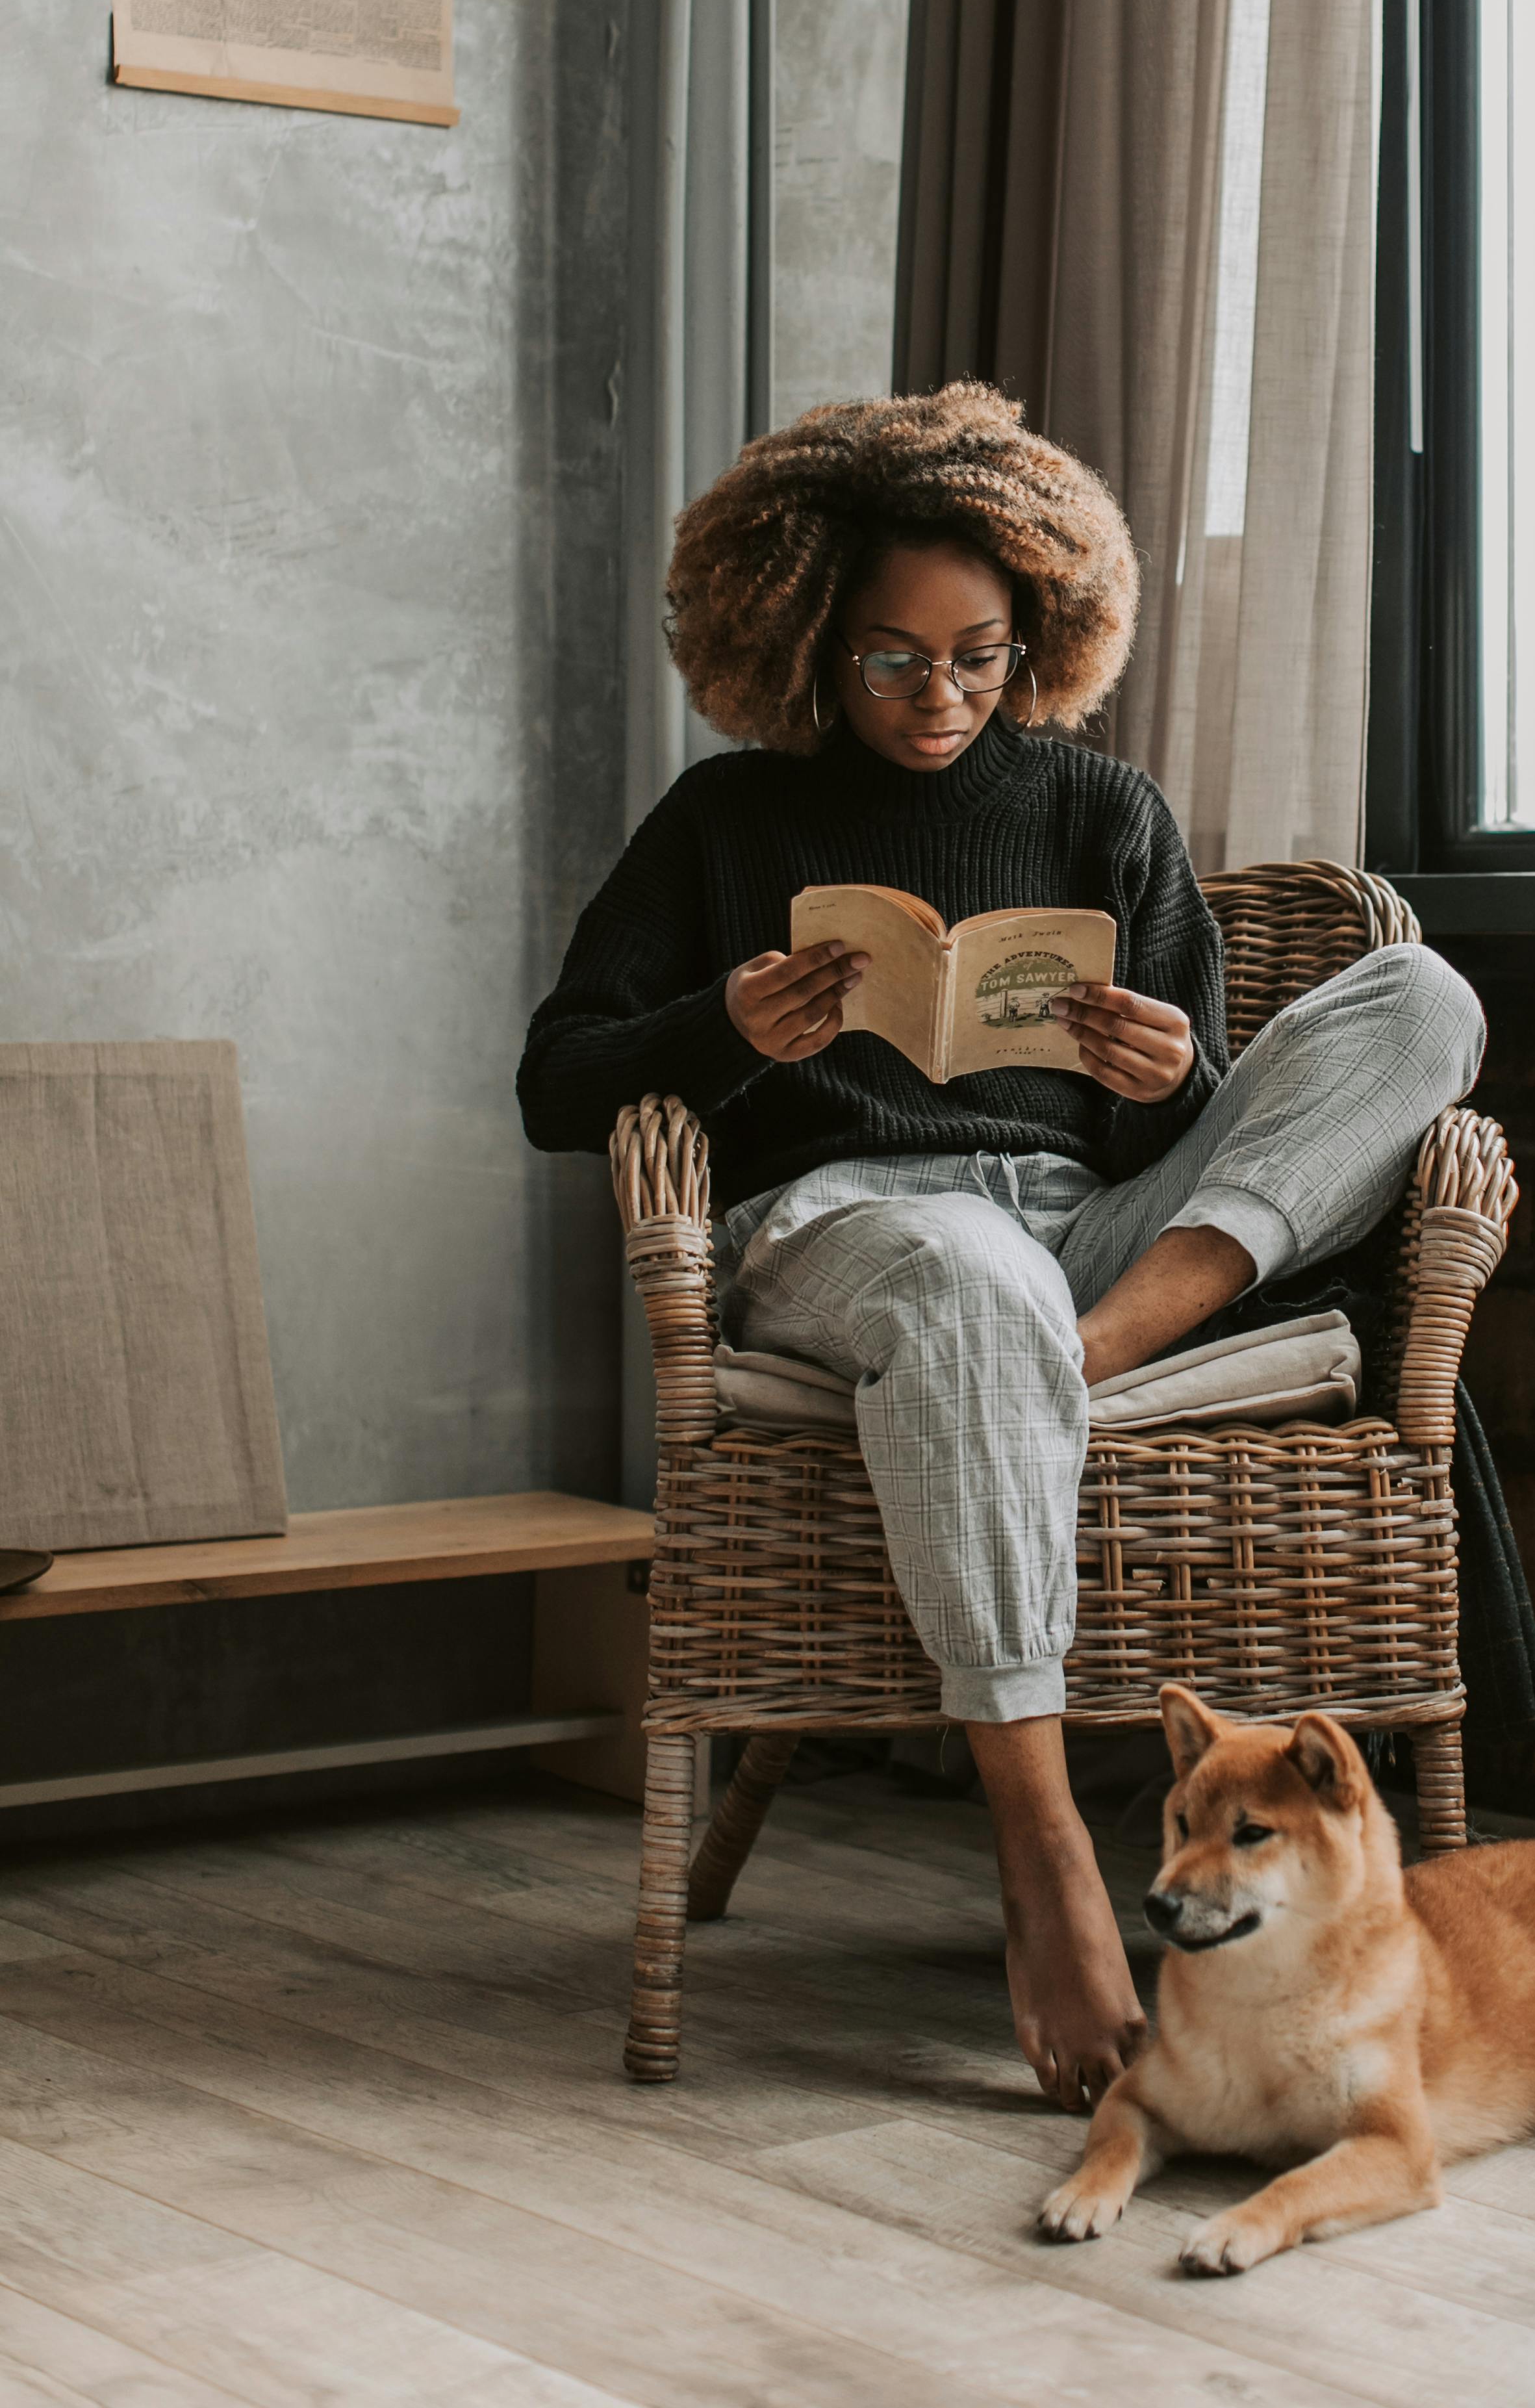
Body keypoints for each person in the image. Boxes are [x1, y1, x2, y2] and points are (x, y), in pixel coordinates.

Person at [517, 384, 1484, 2110]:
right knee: (969, 1272)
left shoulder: (1103, 809)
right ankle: (1041, 1853)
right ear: (808, 637)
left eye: (976, 653)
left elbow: (1170, 1119)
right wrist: (725, 1024)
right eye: (890, 659)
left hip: (1096, 1237)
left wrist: (1168, 1069)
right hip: (848, 1227)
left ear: (1039, 627)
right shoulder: (725, 821)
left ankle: (1083, 1352)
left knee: (1423, 996)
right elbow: (553, 1079)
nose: (939, 696)